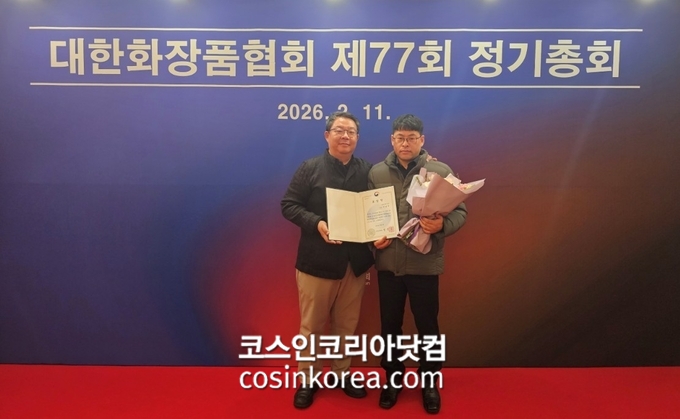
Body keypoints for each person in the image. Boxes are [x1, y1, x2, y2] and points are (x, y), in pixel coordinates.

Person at [368, 114, 467, 414]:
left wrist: (442, 225)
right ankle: (392, 379)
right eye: (400, 137)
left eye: (412, 138)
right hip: (389, 264)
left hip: (424, 264)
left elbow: (460, 211)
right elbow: (368, 214)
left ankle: (430, 382)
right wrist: (373, 240)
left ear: (422, 140)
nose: (405, 143)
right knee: (389, 326)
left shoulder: (440, 170)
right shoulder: (376, 172)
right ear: (392, 140)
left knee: (428, 327)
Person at [281, 111, 374, 409]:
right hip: (317, 262)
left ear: (357, 137)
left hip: (354, 263)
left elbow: (378, 209)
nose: (345, 136)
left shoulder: (368, 171)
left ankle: (342, 373)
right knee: (311, 326)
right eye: (339, 130)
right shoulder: (310, 168)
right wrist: (317, 223)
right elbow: (289, 205)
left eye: (351, 132)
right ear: (327, 135)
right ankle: (308, 379)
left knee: (347, 325)